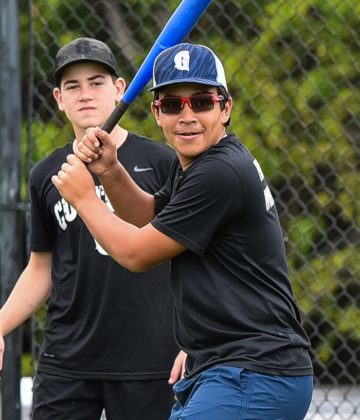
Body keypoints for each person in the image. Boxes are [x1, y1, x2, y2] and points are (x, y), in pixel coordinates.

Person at [52, 42, 314, 419]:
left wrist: (85, 198)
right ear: (157, 113)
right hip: (229, 369)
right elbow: (147, 215)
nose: (187, 115)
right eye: (173, 104)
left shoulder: (220, 172)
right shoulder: (193, 164)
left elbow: (136, 254)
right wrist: (110, 171)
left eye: (202, 102)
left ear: (226, 108)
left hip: (255, 371)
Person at [0, 37, 183, 420]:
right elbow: (41, 268)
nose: (85, 94)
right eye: (72, 86)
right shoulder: (47, 174)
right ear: (58, 98)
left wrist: (195, 340)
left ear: (120, 90)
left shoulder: (162, 161)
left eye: (96, 82)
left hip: (149, 358)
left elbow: (191, 260)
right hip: (68, 359)